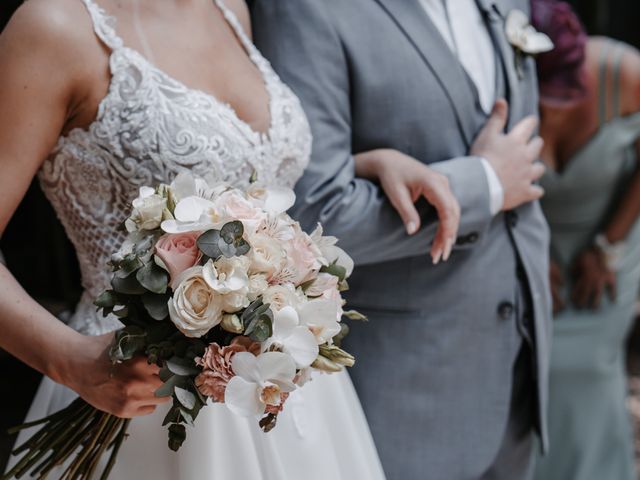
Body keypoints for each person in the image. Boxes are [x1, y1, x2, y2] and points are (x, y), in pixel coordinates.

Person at [0, 0, 460, 477]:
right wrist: (71, 361)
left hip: (282, 391)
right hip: (142, 398)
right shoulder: (54, 26)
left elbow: (241, 177)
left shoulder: (227, 8)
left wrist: (368, 164)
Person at [252, 0, 552, 479]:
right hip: (404, 390)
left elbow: (523, 154)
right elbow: (308, 213)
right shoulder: (306, 10)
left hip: (516, 370)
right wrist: (485, 184)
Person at [529, 2, 640, 479]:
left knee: (589, 372)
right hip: (531, 239)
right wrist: (535, 253)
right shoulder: (492, 91)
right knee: (534, 373)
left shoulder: (623, 72)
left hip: (611, 237)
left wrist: (608, 246)